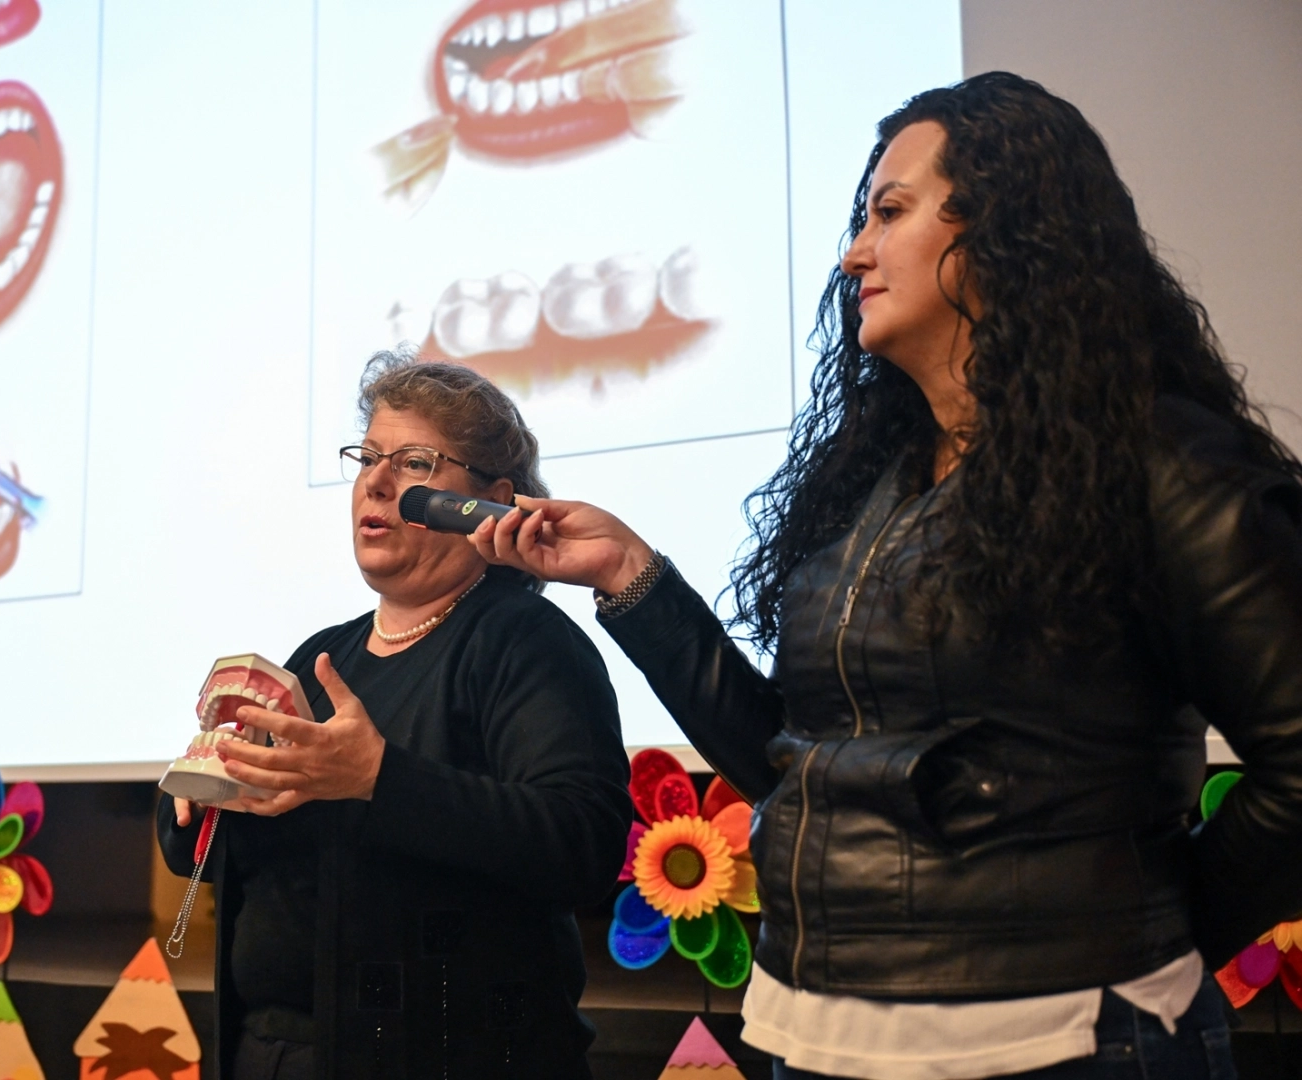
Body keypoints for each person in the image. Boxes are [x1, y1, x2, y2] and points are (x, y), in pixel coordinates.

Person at [469, 71, 1302, 1079]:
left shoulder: (1160, 465)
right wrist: (629, 577)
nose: (853, 252)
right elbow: (795, 764)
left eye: (891, 212)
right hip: (814, 1036)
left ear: (1005, 226)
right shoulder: (870, 485)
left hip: (1064, 1041)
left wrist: (1146, 933)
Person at [157, 353, 633, 1080]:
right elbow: (260, 854)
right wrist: (200, 797)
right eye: (368, 457)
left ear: (491, 502)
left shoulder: (525, 642)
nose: (375, 483)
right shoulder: (321, 656)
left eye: (414, 463)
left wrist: (380, 777)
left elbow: (582, 845)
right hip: (271, 1051)